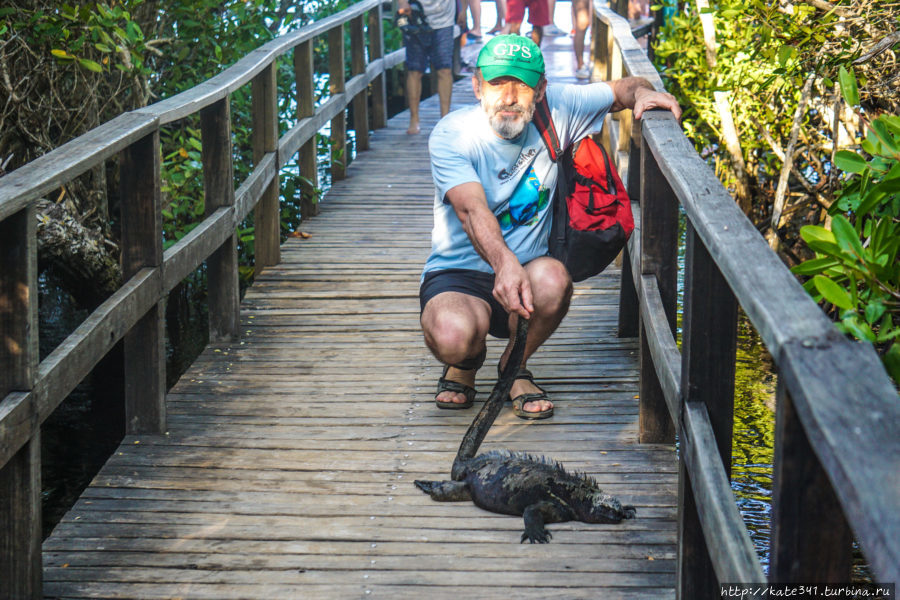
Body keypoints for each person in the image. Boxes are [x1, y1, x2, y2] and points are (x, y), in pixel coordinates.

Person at [419, 34, 680, 419]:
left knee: (556, 280)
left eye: (522, 85)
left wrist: (643, 96)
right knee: (453, 337)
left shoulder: (559, 108)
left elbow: (626, 87)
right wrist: (503, 264)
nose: (508, 97)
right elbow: (471, 210)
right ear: (476, 87)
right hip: (460, 272)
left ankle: (514, 367)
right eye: (496, 84)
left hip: (529, 269)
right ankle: (465, 365)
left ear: (541, 90)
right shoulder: (452, 134)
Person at [398, 0, 456, 134]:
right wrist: (402, 3)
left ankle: (445, 119)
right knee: (414, 70)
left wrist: (464, 10)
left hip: (445, 20)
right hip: (414, 16)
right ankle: (414, 119)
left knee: (445, 70)